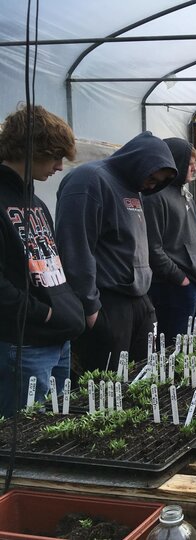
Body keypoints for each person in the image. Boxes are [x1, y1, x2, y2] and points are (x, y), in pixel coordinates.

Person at [55, 131, 176, 372]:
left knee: (143, 373)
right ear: (137, 161)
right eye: (151, 176)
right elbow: (75, 247)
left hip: (139, 299)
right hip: (108, 300)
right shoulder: (90, 180)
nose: (152, 184)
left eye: (159, 182)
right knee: (107, 382)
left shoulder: (133, 187)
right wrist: (90, 307)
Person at [0, 105, 84, 417]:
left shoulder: (34, 202)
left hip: (57, 341)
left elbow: (51, 266)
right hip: (22, 346)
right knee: (20, 443)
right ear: (30, 149)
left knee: (52, 432)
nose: (60, 167)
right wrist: (45, 313)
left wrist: (67, 308)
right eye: (55, 156)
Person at [144, 138, 196, 342]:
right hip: (176, 286)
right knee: (176, 346)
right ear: (175, 162)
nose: (194, 169)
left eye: (195, 164)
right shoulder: (155, 197)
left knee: (193, 344)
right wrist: (179, 278)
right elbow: (152, 247)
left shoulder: (184, 193)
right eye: (189, 163)